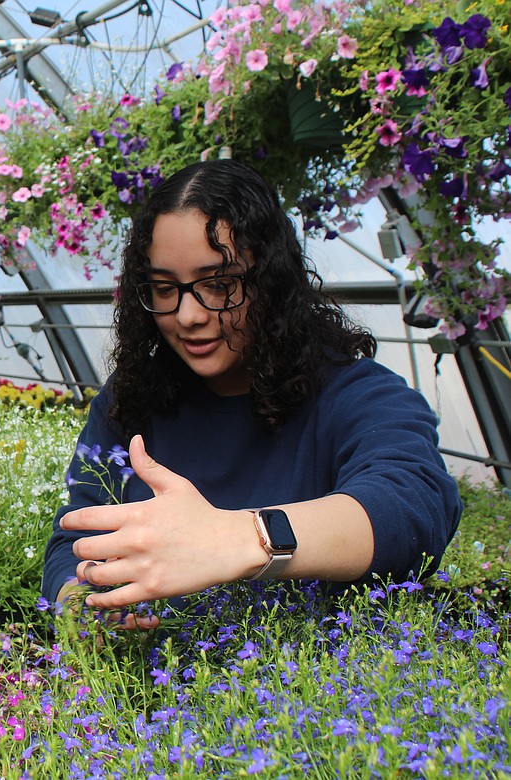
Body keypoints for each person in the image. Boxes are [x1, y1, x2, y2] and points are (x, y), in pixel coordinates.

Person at [42, 159, 461, 626]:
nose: (187, 316)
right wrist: (80, 607)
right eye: (164, 288)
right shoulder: (132, 398)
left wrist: (241, 538)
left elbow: (412, 505)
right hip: (149, 688)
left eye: (219, 285)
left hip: (306, 690)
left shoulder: (356, 395)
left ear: (270, 281)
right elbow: (76, 532)